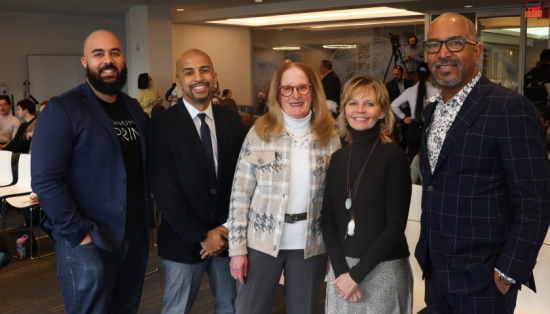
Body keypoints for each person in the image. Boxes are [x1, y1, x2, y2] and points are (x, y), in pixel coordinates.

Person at [415, 12, 550, 313]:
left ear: (476, 50)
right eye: (434, 45)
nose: (443, 53)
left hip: (484, 280)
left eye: (455, 43)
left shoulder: (509, 108)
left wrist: (508, 272)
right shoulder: (432, 112)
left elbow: (535, 202)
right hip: (436, 271)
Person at [31, 29, 153, 313]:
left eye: (114, 53)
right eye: (99, 54)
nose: (107, 60)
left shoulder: (133, 108)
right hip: (89, 239)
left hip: (133, 237)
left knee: (126, 308)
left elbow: (138, 172)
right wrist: (79, 236)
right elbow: (46, 180)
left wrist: (145, 227)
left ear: (123, 59)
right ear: (85, 62)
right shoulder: (64, 109)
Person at [228, 62, 341, 314]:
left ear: (313, 92)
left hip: (310, 245)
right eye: (287, 88)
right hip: (261, 243)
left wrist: (334, 249)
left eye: (302, 87)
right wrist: (237, 250)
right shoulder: (260, 132)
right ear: (277, 94)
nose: (295, 95)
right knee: (249, 309)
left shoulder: (329, 135)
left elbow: (335, 199)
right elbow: (239, 195)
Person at [147, 49, 245, 314]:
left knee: (233, 307)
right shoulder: (160, 127)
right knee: (177, 309)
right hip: (182, 240)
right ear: (177, 80)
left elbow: (244, 183)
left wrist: (223, 230)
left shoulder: (234, 123)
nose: (198, 77)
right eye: (189, 72)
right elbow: (165, 191)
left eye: (204, 70)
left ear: (214, 76)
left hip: (228, 240)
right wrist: (202, 236)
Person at [320, 74, 412, 313]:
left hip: (383, 269)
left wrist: (355, 276)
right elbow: (328, 219)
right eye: (353, 103)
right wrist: (342, 272)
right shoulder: (339, 158)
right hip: (342, 271)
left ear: (382, 112)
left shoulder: (394, 157)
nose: (360, 110)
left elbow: (394, 227)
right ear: (344, 110)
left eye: (369, 103)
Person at [390, 62, 439, 161]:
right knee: (429, 159)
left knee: (412, 158)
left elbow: (393, 105)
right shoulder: (437, 92)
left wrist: (404, 117)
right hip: (429, 127)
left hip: (414, 127)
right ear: (430, 76)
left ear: (417, 75)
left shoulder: (410, 90)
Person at [386, 66, 413, 150]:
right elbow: (388, 99)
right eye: (394, 74)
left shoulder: (408, 83)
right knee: (397, 132)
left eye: (397, 74)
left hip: (408, 110)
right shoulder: (389, 84)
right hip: (396, 111)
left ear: (402, 74)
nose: (395, 76)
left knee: (407, 133)